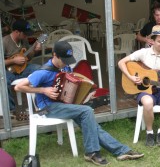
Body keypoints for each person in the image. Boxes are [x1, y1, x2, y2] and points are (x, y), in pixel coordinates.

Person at [14, 41, 144, 165]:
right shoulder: (43, 72)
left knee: (89, 120)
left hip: (63, 104)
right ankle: (92, 152)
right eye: (64, 60)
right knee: (86, 111)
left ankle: (120, 151)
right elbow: (18, 87)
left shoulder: (65, 67)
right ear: (55, 55)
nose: (66, 63)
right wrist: (43, 90)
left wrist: (84, 95)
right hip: (48, 107)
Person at [118, 25, 160, 147]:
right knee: (147, 102)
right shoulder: (143, 53)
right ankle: (149, 132)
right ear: (152, 41)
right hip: (146, 90)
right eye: (159, 41)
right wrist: (130, 77)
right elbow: (121, 62)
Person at [3, 19, 41, 112]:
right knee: (4, 81)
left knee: (40, 70)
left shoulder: (24, 40)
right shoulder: (4, 42)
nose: (26, 36)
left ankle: (40, 103)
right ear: (16, 32)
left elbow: (28, 57)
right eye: (24, 33)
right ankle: (11, 110)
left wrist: (35, 50)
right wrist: (13, 60)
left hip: (23, 68)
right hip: (7, 71)